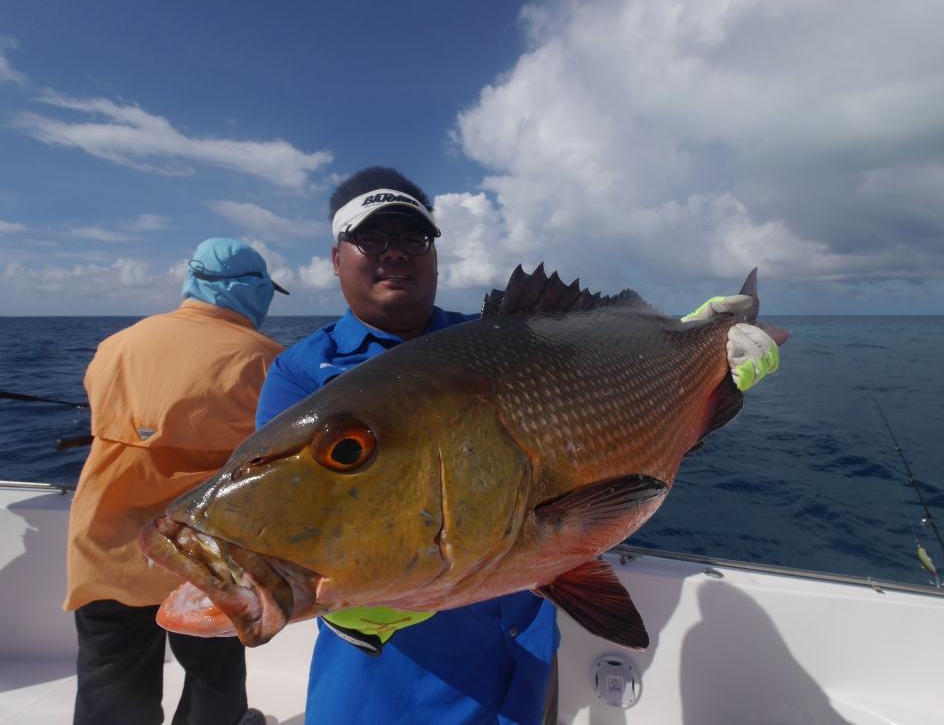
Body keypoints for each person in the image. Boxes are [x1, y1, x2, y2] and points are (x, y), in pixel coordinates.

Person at [255, 167, 781, 725]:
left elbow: (626, 424)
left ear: (434, 255)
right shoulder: (301, 374)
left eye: (414, 238)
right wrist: (359, 611)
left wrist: (700, 366)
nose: (396, 253)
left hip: (525, 660)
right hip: (391, 687)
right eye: (371, 237)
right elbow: (286, 523)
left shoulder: (508, 337)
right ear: (337, 257)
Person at [64, 237, 287, 725]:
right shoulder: (268, 360)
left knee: (110, 683)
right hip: (205, 560)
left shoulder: (115, 346)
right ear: (251, 290)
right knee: (215, 679)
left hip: (106, 550)